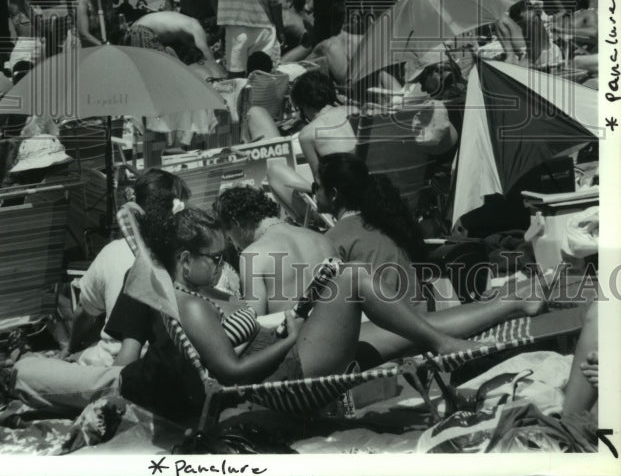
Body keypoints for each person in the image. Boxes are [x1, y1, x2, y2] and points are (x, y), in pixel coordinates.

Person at [111, 204, 543, 421]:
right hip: (280, 384)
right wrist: (292, 337)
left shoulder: (200, 295)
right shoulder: (190, 305)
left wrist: (292, 319)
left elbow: (240, 342)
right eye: (215, 257)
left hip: (287, 359)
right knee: (353, 277)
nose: (223, 263)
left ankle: (514, 302)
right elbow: (231, 374)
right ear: (185, 261)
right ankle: (446, 346)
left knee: (408, 327)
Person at [10, 167, 191, 412]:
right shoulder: (192, 261)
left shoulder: (135, 265)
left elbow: (119, 355)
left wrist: (71, 349)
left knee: (25, 371)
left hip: (124, 372)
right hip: (161, 370)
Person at [316, 154, 428, 302]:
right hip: (416, 315)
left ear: (334, 194)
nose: (314, 193)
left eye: (316, 187)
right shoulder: (387, 222)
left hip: (381, 322)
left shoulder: (333, 240)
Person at [214, 187, 329, 315]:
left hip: (293, 333)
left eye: (229, 237)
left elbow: (256, 326)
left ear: (235, 223)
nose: (235, 245)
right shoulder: (322, 240)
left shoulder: (254, 256)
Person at [290, 70, 357, 180]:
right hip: (367, 182)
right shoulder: (354, 111)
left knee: (276, 172)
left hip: (342, 193)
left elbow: (319, 181)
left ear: (303, 104)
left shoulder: (307, 134)